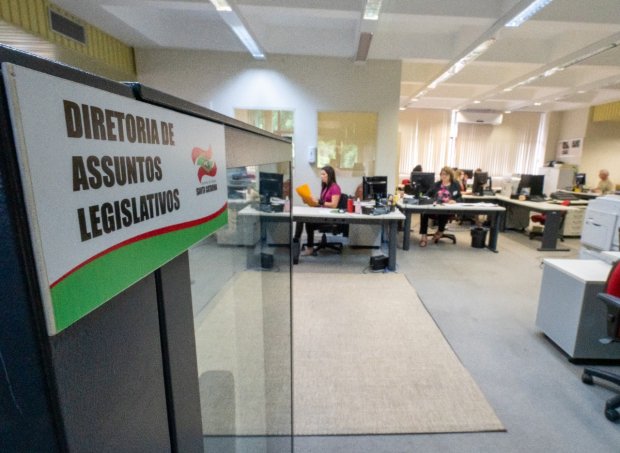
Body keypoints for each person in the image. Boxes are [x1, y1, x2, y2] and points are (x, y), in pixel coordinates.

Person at [294, 165, 342, 255]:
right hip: (322, 213)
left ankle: (310, 248)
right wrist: (308, 200)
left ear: (329, 175)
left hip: (329, 218)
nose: (321, 176)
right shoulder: (325, 187)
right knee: (300, 217)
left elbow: (334, 205)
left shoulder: (335, 187)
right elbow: (321, 203)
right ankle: (296, 241)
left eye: (323, 174)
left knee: (309, 223)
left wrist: (320, 202)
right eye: (321, 174)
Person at [419, 166, 462, 247]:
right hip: (435, 208)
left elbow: (460, 198)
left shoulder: (455, 185)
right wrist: (430, 200)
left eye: (446, 174)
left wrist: (455, 201)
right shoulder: (436, 185)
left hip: (448, 210)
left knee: (443, 212)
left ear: (450, 175)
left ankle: (440, 231)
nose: (443, 176)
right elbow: (427, 195)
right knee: (424, 212)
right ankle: (423, 236)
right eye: (442, 174)